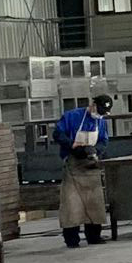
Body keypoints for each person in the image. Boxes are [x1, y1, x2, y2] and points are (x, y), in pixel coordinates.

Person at [54, 93, 112, 248]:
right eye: (99, 110)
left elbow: (104, 140)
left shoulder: (101, 122)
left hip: (91, 167)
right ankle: (71, 239)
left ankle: (94, 236)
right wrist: (72, 146)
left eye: (103, 113)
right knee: (71, 205)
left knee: (94, 203)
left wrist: (95, 150)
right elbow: (58, 134)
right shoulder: (72, 116)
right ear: (93, 105)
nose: (99, 114)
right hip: (73, 166)